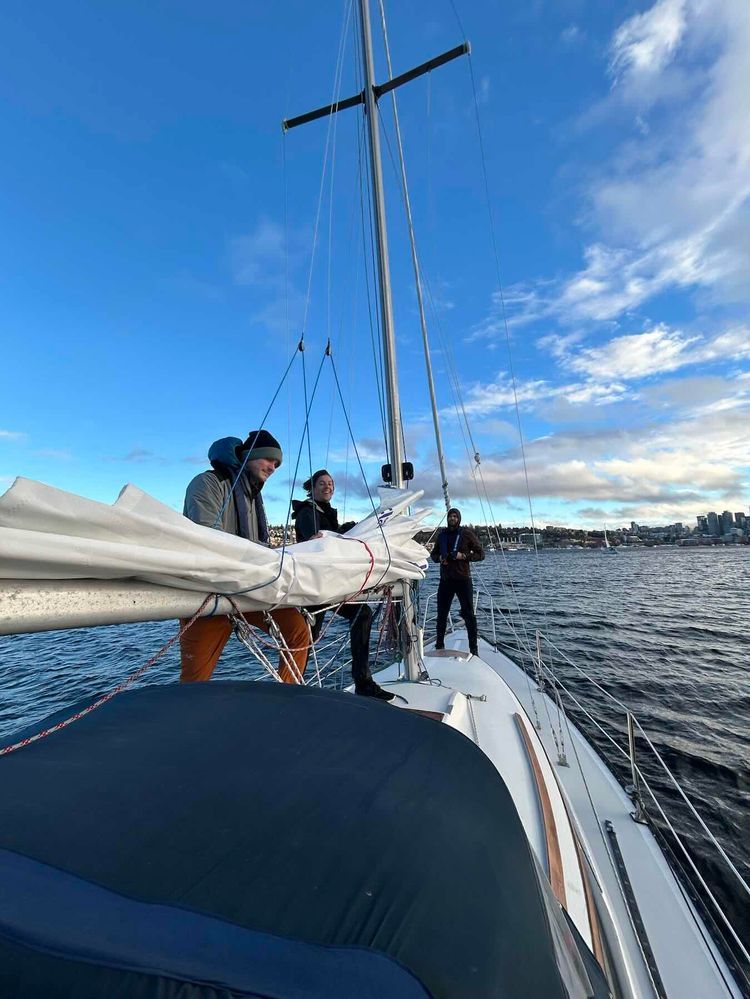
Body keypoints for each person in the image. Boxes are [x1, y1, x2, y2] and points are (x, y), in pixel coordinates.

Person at [179, 430, 310, 684]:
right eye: (269, 459)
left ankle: (286, 696)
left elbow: (258, 547)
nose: (273, 467)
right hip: (209, 592)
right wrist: (266, 552)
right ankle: (189, 718)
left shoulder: (253, 497)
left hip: (249, 588)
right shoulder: (208, 483)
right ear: (249, 455)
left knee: (296, 630)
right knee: (195, 678)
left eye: (277, 464)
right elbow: (205, 534)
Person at [292, 468, 394, 701]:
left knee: (362, 613)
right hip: (314, 586)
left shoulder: (327, 513)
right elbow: (316, 542)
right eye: (322, 483)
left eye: (331, 483)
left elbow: (333, 539)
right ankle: (292, 689)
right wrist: (340, 533)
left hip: (331, 584)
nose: (328, 486)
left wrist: (346, 530)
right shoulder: (307, 513)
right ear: (313, 488)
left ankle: (363, 681)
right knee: (307, 636)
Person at [430, 507, 485, 656]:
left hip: (463, 580)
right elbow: (433, 555)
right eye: (450, 516)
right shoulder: (442, 536)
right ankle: (439, 645)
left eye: (455, 516)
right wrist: (440, 558)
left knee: (469, 615)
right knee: (441, 614)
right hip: (446, 580)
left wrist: (463, 556)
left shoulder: (466, 534)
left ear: (459, 519)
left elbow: (481, 554)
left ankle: (474, 650)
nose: (452, 518)